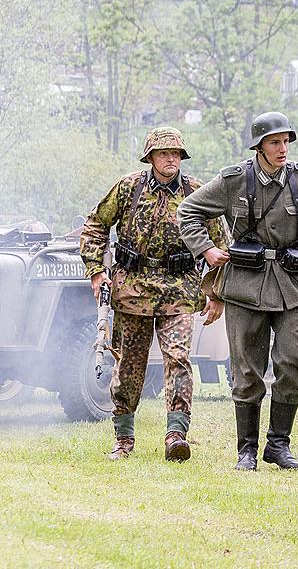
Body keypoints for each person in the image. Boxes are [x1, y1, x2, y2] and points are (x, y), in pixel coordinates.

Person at [177, 111, 298, 471]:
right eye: (274, 142)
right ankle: (247, 450)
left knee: (294, 362)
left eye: (286, 141)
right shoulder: (234, 181)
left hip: (292, 285)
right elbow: (188, 211)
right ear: (259, 146)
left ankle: (278, 445)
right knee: (247, 369)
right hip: (245, 285)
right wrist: (205, 249)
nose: (282, 148)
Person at [80, 126, 228, 462]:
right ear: (151, 157)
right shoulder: (129, 188)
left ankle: (176, 434)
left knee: (178, 358)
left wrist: (217, 293)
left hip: (179, 290)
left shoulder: (196, 192)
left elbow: (221, 244)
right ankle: (123, 439)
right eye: (164, 153)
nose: (171, 158)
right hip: (132, 289)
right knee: (129, 365)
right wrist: (96, 270)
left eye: (176, 153)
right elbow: (95, 225)